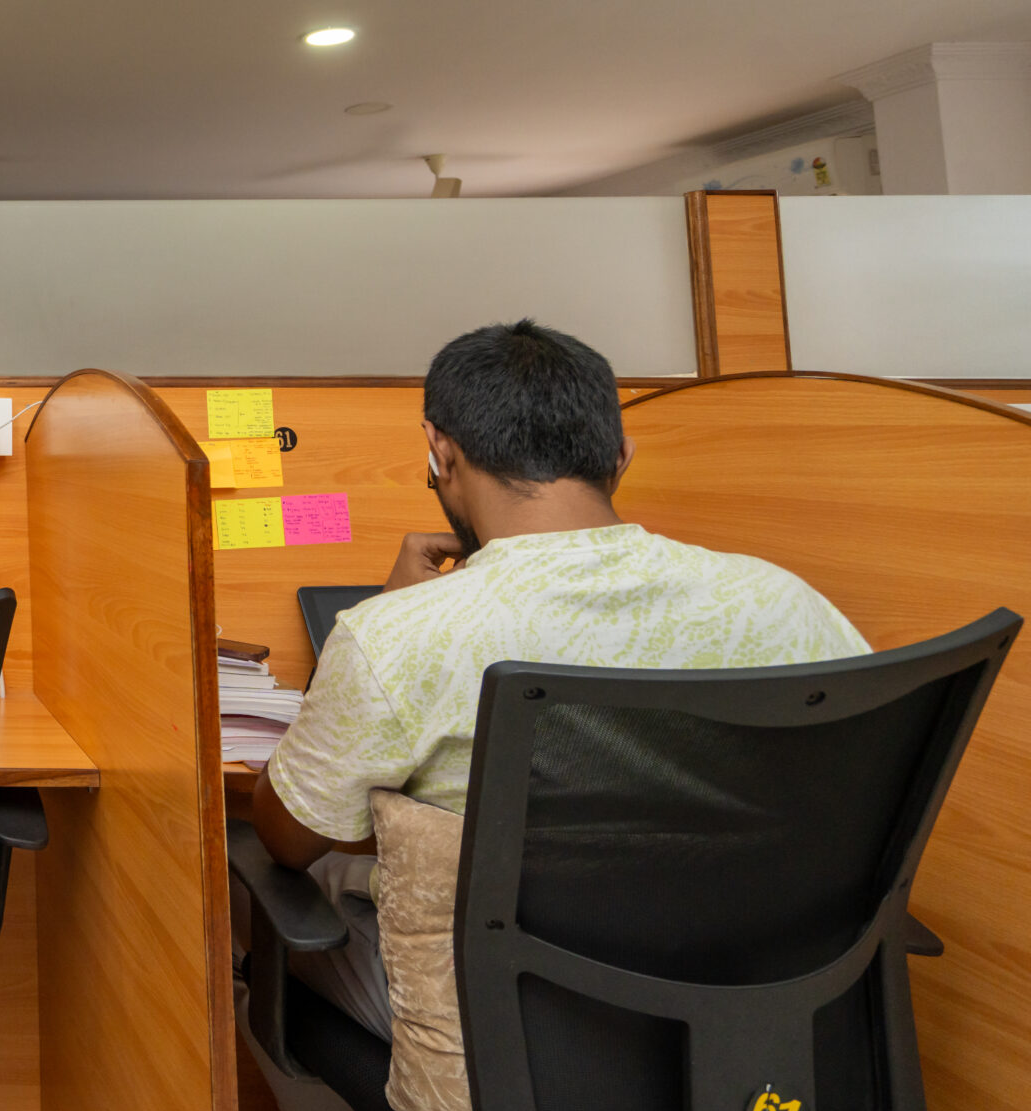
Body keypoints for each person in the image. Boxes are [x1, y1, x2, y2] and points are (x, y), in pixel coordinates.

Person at [250, 320, 868, 1061]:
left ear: (439, 452)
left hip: (513, 1040)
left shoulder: (401, 634)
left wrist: (380, 622)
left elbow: (288, 834)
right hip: (748, 1016)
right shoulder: (784, 602)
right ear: (621, 454)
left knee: (277, 899)